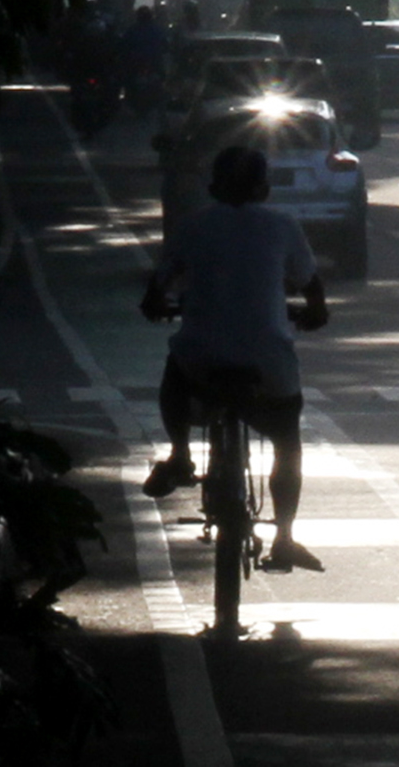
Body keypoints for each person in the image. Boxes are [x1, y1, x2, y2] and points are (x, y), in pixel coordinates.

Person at [140, 144, 330, 572]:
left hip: (201, 357)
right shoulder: (282, 226)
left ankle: (180, 453)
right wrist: (315, 312)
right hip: (268, 362)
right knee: (286, 440)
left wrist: (156, 304)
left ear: (213, 187)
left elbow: (159, 288)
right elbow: (311, 286)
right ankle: (284, 537)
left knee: (176, 370)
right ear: (264, 188)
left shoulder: (194, 227)